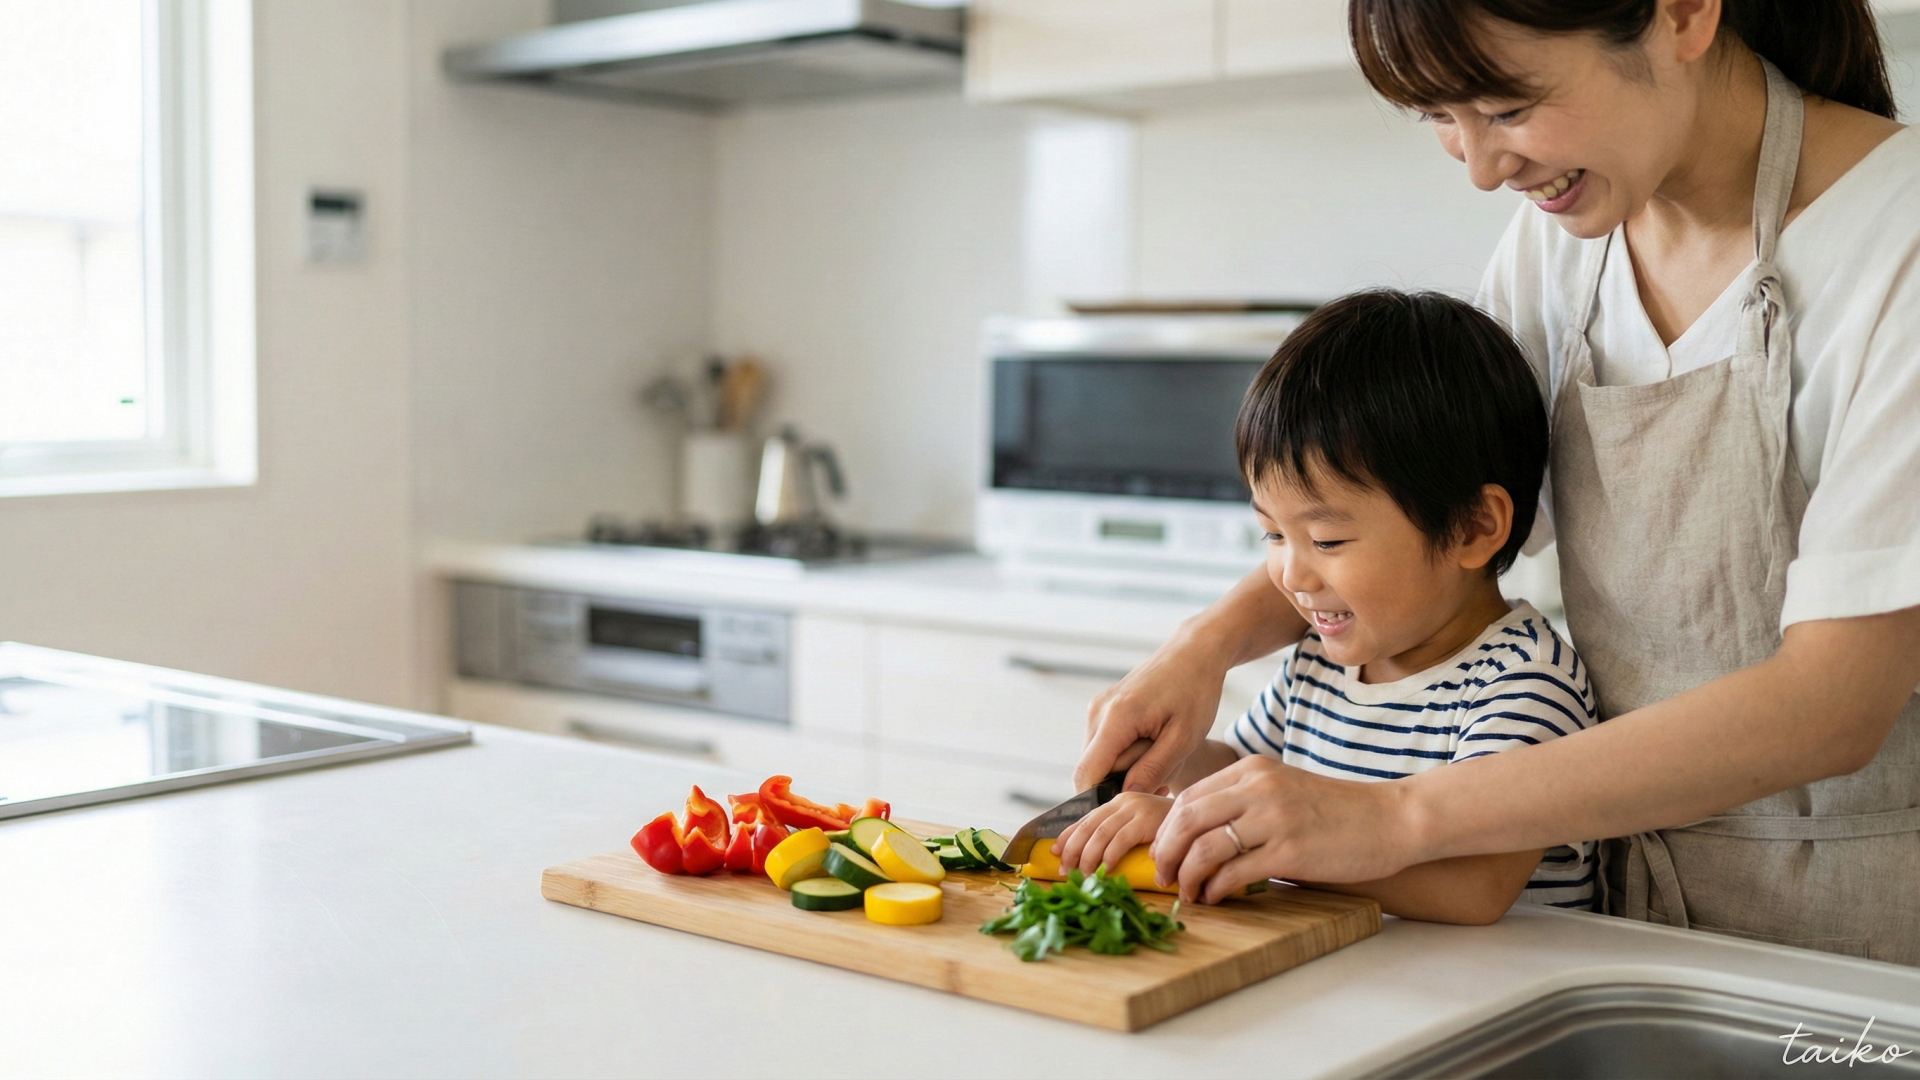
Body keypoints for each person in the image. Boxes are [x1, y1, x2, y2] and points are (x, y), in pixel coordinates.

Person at [1076, 0, 1920, 964]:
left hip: (1845, 940)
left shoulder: (1899, 242)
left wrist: (1394, 820)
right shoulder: (1562, 243)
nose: (1480, 169)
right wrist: (1202, 650)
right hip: (1615, 924)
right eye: (1440, 117)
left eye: (1507, 107)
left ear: (1684, 13)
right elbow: (1407, 501)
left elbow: (1834, 704)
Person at [1055, 289, 1598, 924]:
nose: (1288, 572)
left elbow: (1472, 886)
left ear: (1475, 528)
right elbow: (1244, 770)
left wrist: (1217, 836)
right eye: (1274, 535)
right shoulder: (1321, 660)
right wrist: (1170, 758)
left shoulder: (1522, 684)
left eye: (1328, 539)